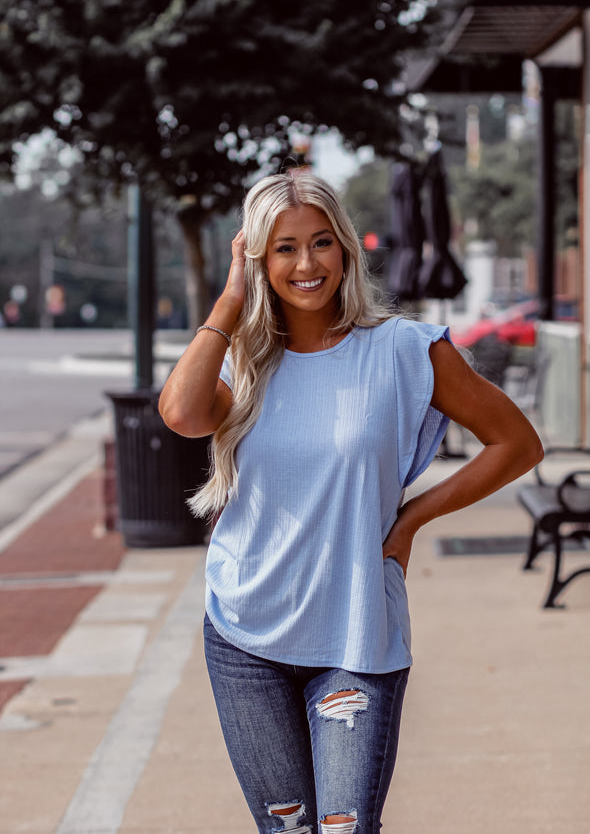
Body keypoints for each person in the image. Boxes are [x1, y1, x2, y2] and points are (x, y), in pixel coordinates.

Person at [159, 171, 543, 834]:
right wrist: (228, 304)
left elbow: (517, 442)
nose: (306, 264)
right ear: (257, 259)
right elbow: (182, 414)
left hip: (355, 636)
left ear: (345, 249)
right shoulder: (245, 361)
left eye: (321, 242)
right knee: (287, 829)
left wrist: (414, 517)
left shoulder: (403, 349)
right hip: (245, 634)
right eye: (283, 248)